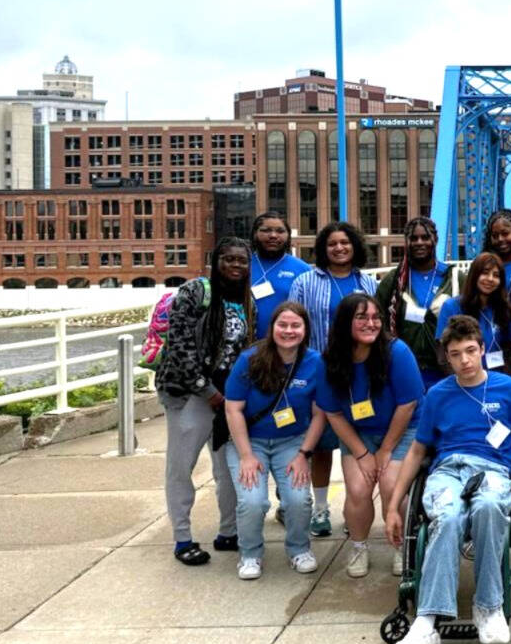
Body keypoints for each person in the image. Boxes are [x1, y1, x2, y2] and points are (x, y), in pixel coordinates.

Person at [386, 315, 511, 644]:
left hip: (493, 470)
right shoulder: (437, 395)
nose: (465, 360)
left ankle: (488, 606)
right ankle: (425, 627)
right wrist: (393, 505)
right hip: (448, 470)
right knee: (447, 517)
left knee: (488, 507)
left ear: (483, 348)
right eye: (456, 354)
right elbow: (417, 451)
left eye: (471, 351)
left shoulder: (509, 389)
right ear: (447, 357)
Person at [157, 237, 256, 566]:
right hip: (191, 395)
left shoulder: (248, 301)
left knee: (227, 468)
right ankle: (183, 538)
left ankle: (229, 531)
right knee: (181, 467)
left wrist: (235, 396)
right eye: (229, 259)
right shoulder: (195, 292)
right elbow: (180, 347)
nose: (236, 265)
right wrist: (207, 391)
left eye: (242, 260)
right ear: (216, 261)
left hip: (229, 399)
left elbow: (246, 351)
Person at [312, 293, 423, 577]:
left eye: (375, 317)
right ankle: (359, 546)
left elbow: (408, 404)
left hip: (401, 430)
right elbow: (333, 413)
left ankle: (402, 545)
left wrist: (385, 450)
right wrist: (362, 454)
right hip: (357, 433)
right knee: (359, 489)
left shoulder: (397, 352)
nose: (371, 323)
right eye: (361, 317)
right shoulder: (330, 360)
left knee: (390, 486)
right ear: (344, 322)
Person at [288, 221, 378, 537]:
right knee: (322, 444)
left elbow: (377, 326)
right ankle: (321, 509)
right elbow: (294, 325)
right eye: (332, 244)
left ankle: (353, 508)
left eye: (345, 242)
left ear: (355, 245)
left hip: (359, 374)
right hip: (321, 373)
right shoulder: (305, 282)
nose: (339, 248)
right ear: (323, 249)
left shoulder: (368, 283)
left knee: (356, 440)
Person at [223, 301, 324, 580]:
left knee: (298, 499)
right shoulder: (250, 359)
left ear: (305, 330)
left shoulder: (315, 363)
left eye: (296, 325)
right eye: (283, 325)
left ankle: (299, 549)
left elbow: (320, 414)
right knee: (253, 501)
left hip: (292, 441)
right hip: (250, 441)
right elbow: (233, 409)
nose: (289, 331)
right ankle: (250, 554)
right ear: (272, 327)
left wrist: (304, 454)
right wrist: (246, 456)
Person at [377, 216, 453, 391]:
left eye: (425, 237)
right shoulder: (394, 280)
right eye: (413, 238)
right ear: (406, 242)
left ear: (435, 239)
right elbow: (379, 321)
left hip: (446, 369)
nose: (419, 243)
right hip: (405, 368)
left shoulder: (453, 278)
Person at [436, 252, 511, 375]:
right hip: (464, 378)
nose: (490, 279)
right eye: (485, 273)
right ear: (474, 275)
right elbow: (442, 354)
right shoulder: (452, 306)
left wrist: (505, 379)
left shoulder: (503, 308)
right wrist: (461, 381)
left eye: (496, 275)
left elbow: (510, 348)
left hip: (497, 377)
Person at [248, 211, 311, 340]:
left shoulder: (304, 270)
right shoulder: (242, 265)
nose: (273, 235)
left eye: (280, 231)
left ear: (288, 236)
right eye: (266, 230)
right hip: (245, 343)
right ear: (255, 234)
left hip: (287, 343)